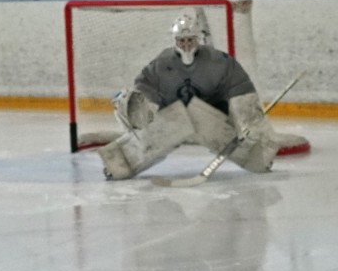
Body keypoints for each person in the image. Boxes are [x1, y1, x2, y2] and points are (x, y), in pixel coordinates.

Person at [98, 12, 309, 180]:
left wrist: (246, 122)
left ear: (198, 39)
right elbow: (145, 89)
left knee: (213, 122)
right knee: (156, 116)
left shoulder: (219, 62)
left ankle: (258, 157)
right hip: (176, 117)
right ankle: (119, 163)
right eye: (182, 40)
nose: (187, 45)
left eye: (191, 39)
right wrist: (136, 110)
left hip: (213, 118)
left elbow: (242, 91)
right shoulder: (161, 64)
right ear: (174, 41)